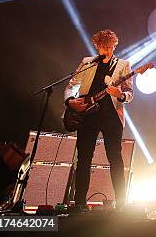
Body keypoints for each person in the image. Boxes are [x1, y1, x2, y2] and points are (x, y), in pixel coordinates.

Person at [64, 29, 133, 210]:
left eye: (110, 47)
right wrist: (70, 101)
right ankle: (79, 203)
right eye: (103, 47)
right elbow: (72, 85)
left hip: (112, 117)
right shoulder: (88, 62)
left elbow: (130, 93)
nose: (107, 50)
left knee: (115, 158)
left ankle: (121, 203)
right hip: (88, 115)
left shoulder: (123, 64)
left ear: (115, 45)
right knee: (84, 158)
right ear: (97, 46)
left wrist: (120, 94)